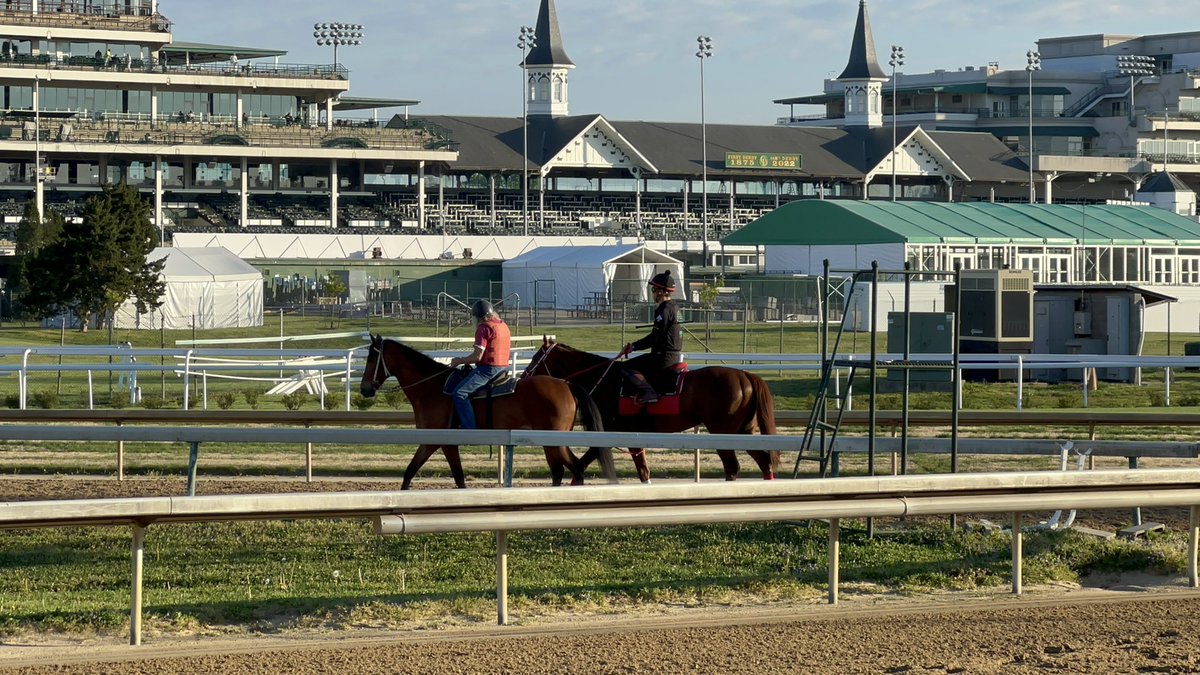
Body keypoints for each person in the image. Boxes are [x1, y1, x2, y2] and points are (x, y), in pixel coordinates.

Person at [620, 269, 682, 405]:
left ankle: (649, 392)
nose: (652, 293)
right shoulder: (675, 307)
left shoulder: (663, 309)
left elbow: (654, 338)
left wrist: (633, 347)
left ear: (660, 291)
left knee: (625, 367)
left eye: (653, 289)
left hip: (662, 358)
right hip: (673, 355)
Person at [448, 299, 511, 429]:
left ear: (476, 317)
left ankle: (469, 430)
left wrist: (458, 361)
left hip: (488, 370)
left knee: (459, 393)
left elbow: (477, 357)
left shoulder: (484, 328)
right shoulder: (503, 325)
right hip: (503, 368)